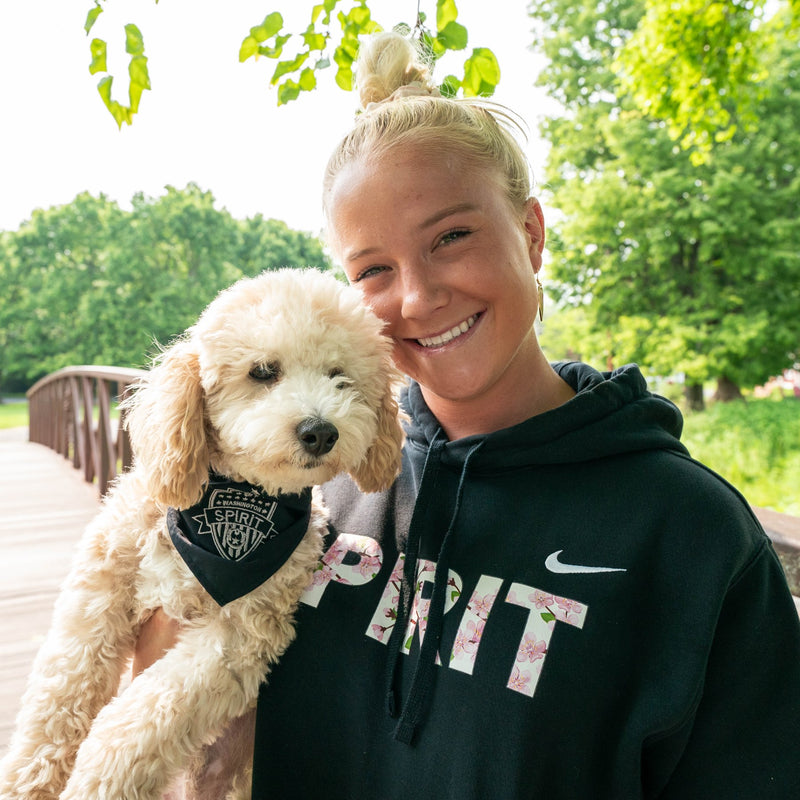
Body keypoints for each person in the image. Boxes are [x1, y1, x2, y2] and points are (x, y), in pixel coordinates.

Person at [138, 30, 800, 799]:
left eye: (451, 237)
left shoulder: (692, 537)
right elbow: (174, 689)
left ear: (532, 232)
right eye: (373, 270)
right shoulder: (313, 482)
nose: (417, 297)